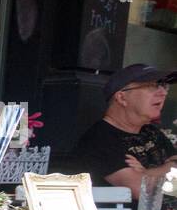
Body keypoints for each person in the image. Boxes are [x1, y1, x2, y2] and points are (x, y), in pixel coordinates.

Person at [66, 64, 177, 196]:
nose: (163, 93)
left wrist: (145, 173)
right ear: (122, 97)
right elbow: (139, 189)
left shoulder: (151, 132)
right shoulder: (100, 139)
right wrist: (169, 168)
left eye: (164, 86)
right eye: (152, 86)